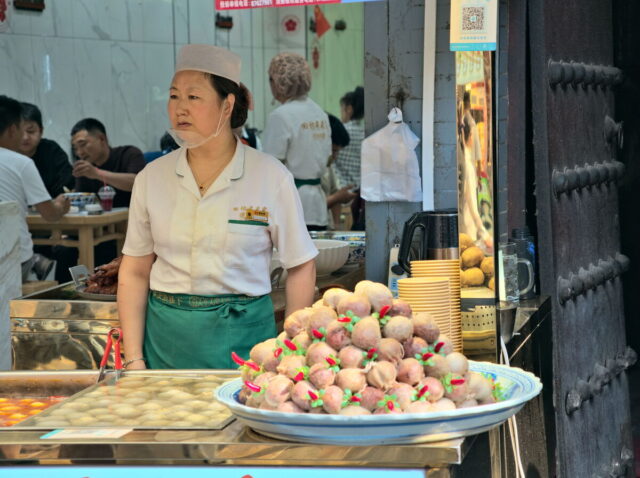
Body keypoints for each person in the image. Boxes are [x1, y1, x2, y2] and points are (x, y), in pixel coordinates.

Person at [118, 44, 317, 370]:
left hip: (244, 339)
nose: (180, 108)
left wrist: (292, 350)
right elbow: (135, 271)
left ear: (227, 105)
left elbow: (300, 265)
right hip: (166, 340)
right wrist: (134, 359)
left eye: (193, 97)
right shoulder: (151, 178)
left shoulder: (270, 176)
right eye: (173, 96)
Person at [0, 96, 70, 282]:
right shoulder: (21, 163)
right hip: (12, 260)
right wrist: (61, 205)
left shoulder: (50, 150)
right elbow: (50, 215)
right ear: (13, 129)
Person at [262, 52, 332, 231]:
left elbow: (270, 167)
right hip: (317, 206)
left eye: (271, 79)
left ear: (278, 82)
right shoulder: (319, 113)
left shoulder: (281, 116)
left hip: (292, 206)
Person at [70, 118, 146, 208]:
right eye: (75, 148)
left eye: (83, 144)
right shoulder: (85, 170)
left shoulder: (128, 154)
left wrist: (97, 173)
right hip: (103, 220)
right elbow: (82, 202)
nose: (79, 152)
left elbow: (139, 183)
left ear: (102, 139)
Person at [18, 103, 74, 198]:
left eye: (31, 131)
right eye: (19, 132)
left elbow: (66, 184)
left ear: (41, 131)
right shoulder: (5, 154)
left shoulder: (52, 150)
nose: (25, 137)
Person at [323, 114, 357, 229]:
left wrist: (336, 227)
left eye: (338, 152)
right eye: (333, 150)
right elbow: (309, 209)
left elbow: (334, 192)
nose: (335, 156)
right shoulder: (303, 171)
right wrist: (337, 197)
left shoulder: (328, 166)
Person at [334, 86, 365, 189]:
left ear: (349, 109)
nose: (341, 114)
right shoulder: (364, 134)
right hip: (359, 191)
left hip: (341, 190)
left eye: (342, 109)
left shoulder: (340, 132)